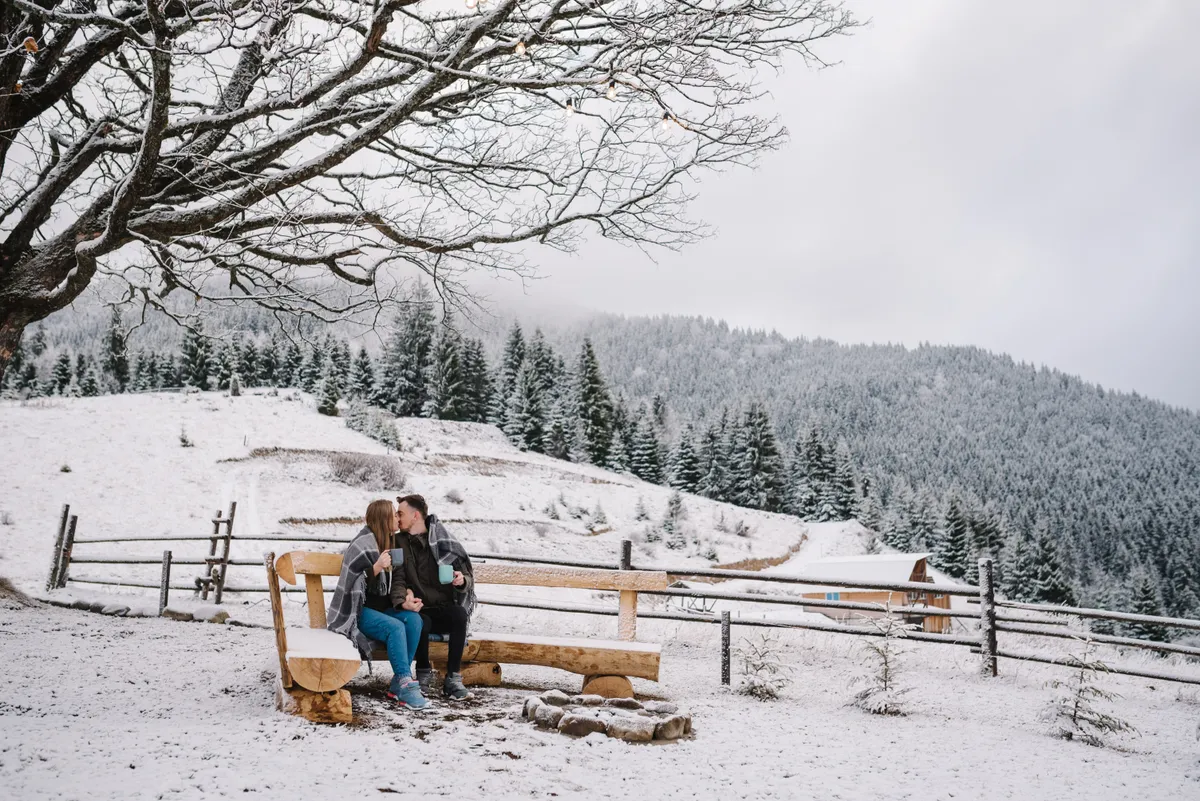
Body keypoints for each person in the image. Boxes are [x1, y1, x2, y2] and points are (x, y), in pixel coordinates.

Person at [326, 499, 428, 710]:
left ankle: (399, 682)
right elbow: (351, 584)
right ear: (383, 519)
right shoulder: (361, 545)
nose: (398, 518)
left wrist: (406, 598)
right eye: (394, 515)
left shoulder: (391, 543)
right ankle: (405, 682)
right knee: (395, 627)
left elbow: (398, 579)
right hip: (359, 611)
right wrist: (376, 567)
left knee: (414, 620)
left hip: (384, 609)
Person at [391, 493, 477, 701]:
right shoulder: (398, 542)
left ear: (415, 515)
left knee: (458, 614)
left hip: (441, 607)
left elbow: (466, 574)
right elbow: (397, 578)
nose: (397, 518)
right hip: (418, 609)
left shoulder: (442, 541)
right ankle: (423, 675)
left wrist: (461, 580)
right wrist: (404, 598)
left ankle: (453, 679)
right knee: (421, 621)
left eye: (401, 513)